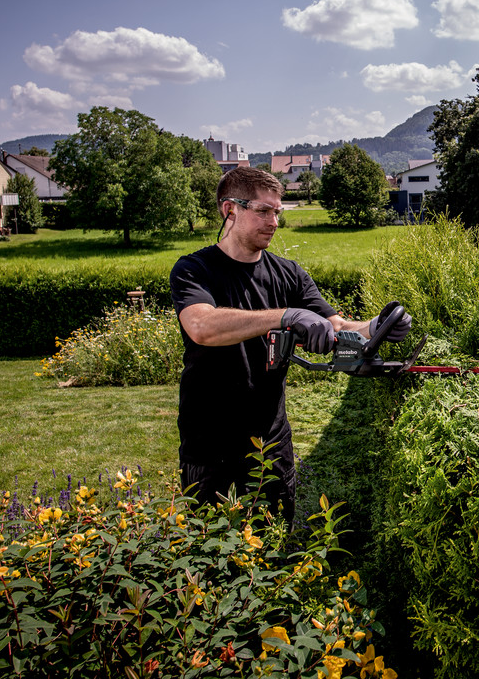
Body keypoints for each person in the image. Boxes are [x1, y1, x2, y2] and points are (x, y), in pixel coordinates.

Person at [169, 166, 410, 521]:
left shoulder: (289, 273)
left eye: (277, 212)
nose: (274, 222)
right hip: (209, 440)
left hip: (271, 438)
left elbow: (336, 325)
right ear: (229, 210)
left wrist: (375, 327)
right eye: (263, 211)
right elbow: (202, 326)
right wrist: (285, 316)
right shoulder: (194, 269)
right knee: (208, 541)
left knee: (275, 537)